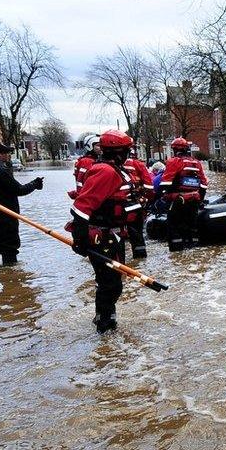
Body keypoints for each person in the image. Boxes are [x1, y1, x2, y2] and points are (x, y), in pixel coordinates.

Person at [69, 129, 142, 334]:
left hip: (114, 233)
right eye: (127, 150)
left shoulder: (116, 169)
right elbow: (81, 207)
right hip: (103, 237)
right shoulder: (106, 172)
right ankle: (105, 327)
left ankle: (104, 319)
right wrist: (80, 239)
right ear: (119, 152)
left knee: (112, 282)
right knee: (110, 284)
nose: (129, 154)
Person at [0, 142, 44, 266]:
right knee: (10, 246)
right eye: (7, 153)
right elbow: (19, 190)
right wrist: (35, 184)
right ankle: (11, 276)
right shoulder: (0, 170)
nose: (9, 155)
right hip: (7, 215)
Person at [159, 137, 208, 251]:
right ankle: (193, 249)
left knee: (173, 226)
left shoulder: (174, 161)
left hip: (178, 199)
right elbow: (203, 184)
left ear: (175, 150)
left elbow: (166, 182)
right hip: (194, 199)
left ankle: (177, 252)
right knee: (192, 226)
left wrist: (164, 195)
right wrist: (200, 199)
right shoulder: (196, 163)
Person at [123, 151, 153, 259]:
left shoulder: (105, 166)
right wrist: (146, 200)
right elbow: (149, 187)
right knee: (137, 232)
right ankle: (140, 258)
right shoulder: (138, 164)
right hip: (135, 204)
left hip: (113, 208)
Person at [69, 134, 100, 199]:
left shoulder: (92, 160)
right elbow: (82, 182)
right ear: (90, 146)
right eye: (98, 145)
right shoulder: (87, 162)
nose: (101, 148)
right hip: (89, 197)